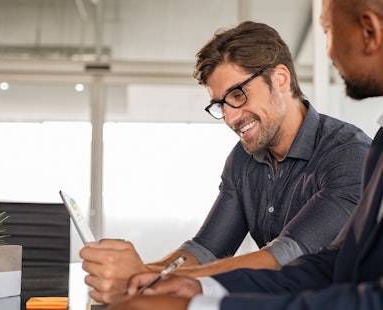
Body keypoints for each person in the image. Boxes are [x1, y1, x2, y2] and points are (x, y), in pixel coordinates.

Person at [105, 0, 383, 309]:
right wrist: (146, 278)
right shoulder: (242, 159)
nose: (230, 117)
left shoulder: (349, 155)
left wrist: (157, 279)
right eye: (220, 105)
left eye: (238, 95)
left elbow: (286, 257)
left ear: (281, 79)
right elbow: (206, 248)